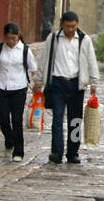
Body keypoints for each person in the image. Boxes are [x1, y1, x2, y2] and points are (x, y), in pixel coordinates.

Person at [40, 10, 99, 164]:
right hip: (57, 84)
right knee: (57, 118)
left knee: (75, 120)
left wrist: (94, 82)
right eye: (67, 26)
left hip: (76, 84)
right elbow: (44, 60)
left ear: (77, 25)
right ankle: (56, 152)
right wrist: (38, 80)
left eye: (73, 26)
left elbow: (91, 61)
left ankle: (73, 152)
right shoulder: (52, 39)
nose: (70, 29)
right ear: (62, 25)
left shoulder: (84, 40)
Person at [0, 22, 38, 161]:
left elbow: (34, 70)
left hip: (19, 88)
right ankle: (9, 140)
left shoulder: (25, 50)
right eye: (8, 38)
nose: (11, 41)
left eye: (14, 39)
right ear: (4, 37)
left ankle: (18, 151)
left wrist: (36, 86)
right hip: (2, 87)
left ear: (18, 37)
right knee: (3, 119)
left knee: (16, 120)